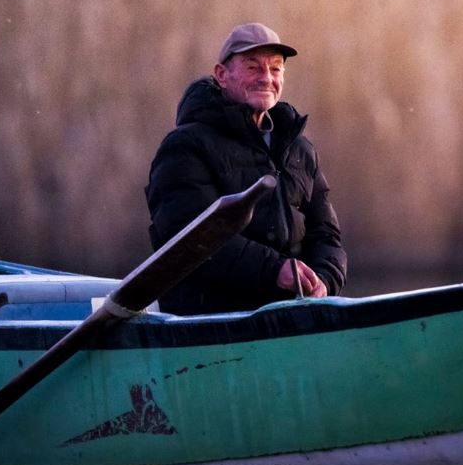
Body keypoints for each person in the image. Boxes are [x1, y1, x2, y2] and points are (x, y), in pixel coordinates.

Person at [145, 22, 347, 314]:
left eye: (275, 69)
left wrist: (323, 281)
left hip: (293, 319)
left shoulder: (300, 150)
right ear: (222, 75)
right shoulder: (185, 147)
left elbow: (327, 236)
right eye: (253, 67)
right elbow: (190, 239)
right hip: (211, 325)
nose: (266, 78)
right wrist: (275, 270)